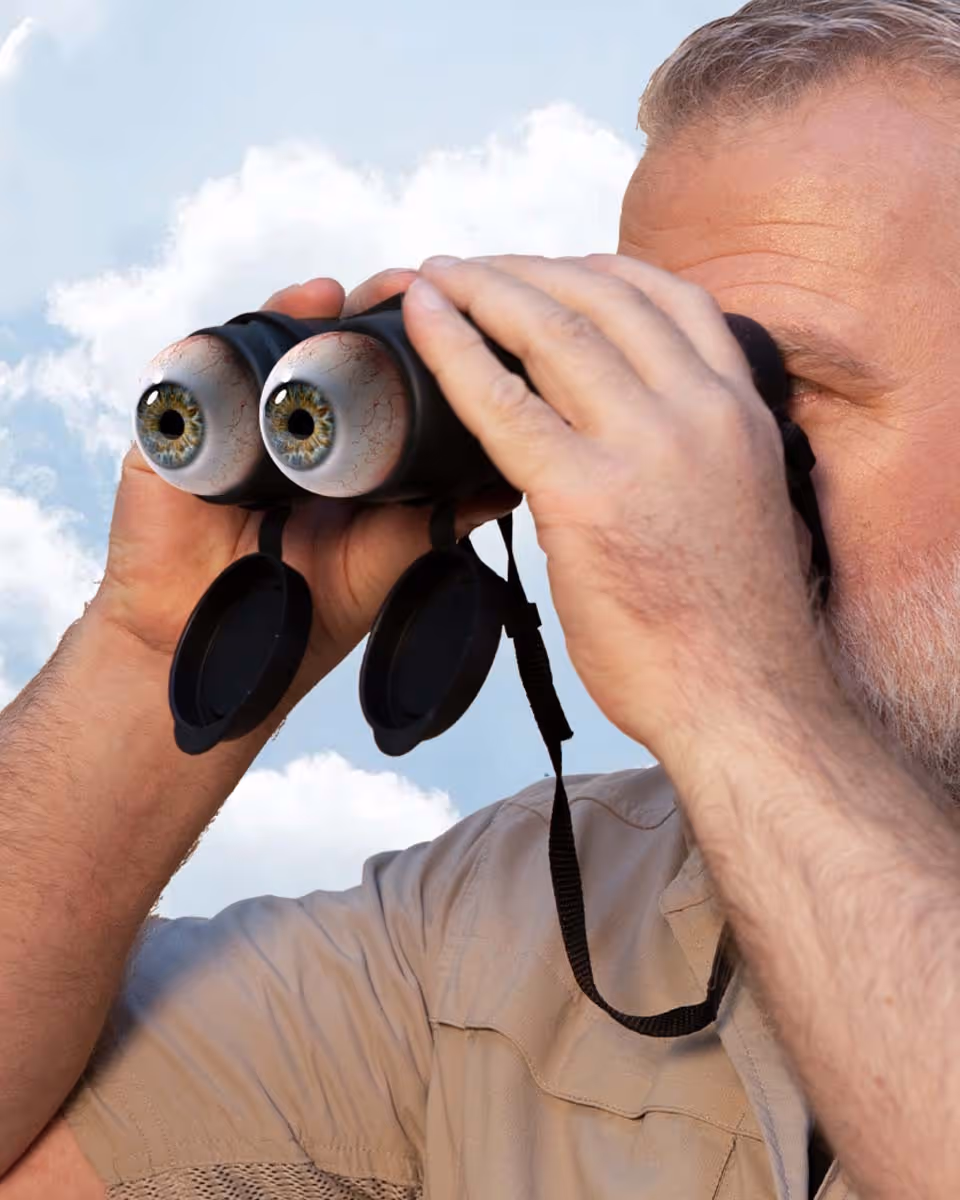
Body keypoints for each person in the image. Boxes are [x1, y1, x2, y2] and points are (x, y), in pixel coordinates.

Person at [5, 0, 960, 1195]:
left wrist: (737, 695)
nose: (695, 467)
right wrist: (148, 657)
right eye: (649, 375)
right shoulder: (512, 926)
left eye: (773, 392)